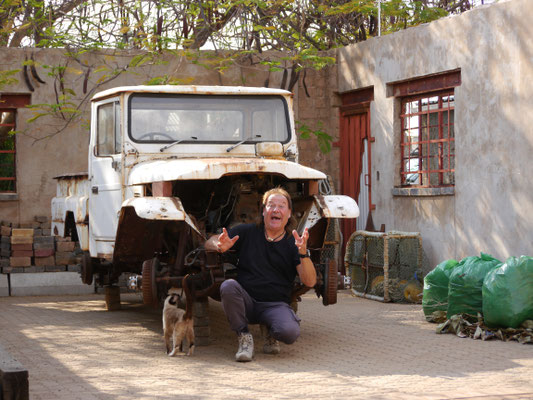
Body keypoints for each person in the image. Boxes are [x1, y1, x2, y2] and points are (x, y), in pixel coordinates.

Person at [205, 187, 317, 362]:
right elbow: (209, 241)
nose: (276, 209)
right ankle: (244, 337)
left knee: (290, 332)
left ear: (288, 214)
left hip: (275, 305)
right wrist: (218, 245)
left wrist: (303, 253)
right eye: (271, 205)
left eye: (281, 206)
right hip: (247, 302)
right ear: (263, 211)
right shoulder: (247, 232)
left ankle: (271, 330)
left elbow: (309, 281)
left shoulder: (293, 243)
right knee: (228, 286)